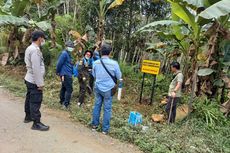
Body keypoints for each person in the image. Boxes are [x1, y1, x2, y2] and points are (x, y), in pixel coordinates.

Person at [91, 42, 122, 134]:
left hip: (98, 87)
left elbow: (94, 74)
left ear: (101, 52)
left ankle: (94, 125)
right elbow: (119, 76)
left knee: (97, 106)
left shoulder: (96, 63)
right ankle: (105, 129)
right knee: (107, 108)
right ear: (110, 53)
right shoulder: (114, 63)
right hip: (108, 89)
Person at [24, 30, 49, 131]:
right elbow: (36, 69)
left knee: (29, 98)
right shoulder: (35, 50)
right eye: (43, 38)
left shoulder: (30, 48)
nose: (43, 40)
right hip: (34, 80)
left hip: (29, 78)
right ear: (40, 38)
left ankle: (28, 116)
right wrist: (40, 84)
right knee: (35, 101)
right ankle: (36, 123)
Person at [56, 40, 75, 109]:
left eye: (72, 47)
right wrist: (57, 71)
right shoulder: (64, 53)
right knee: (69, 89)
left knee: (64, 87)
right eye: (70, 46)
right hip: (65, 74)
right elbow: (59, 63)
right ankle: (66, 104)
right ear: (66, 47)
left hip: (67, 73)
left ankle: (62, 101)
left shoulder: (68, 54)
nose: (71, 48)